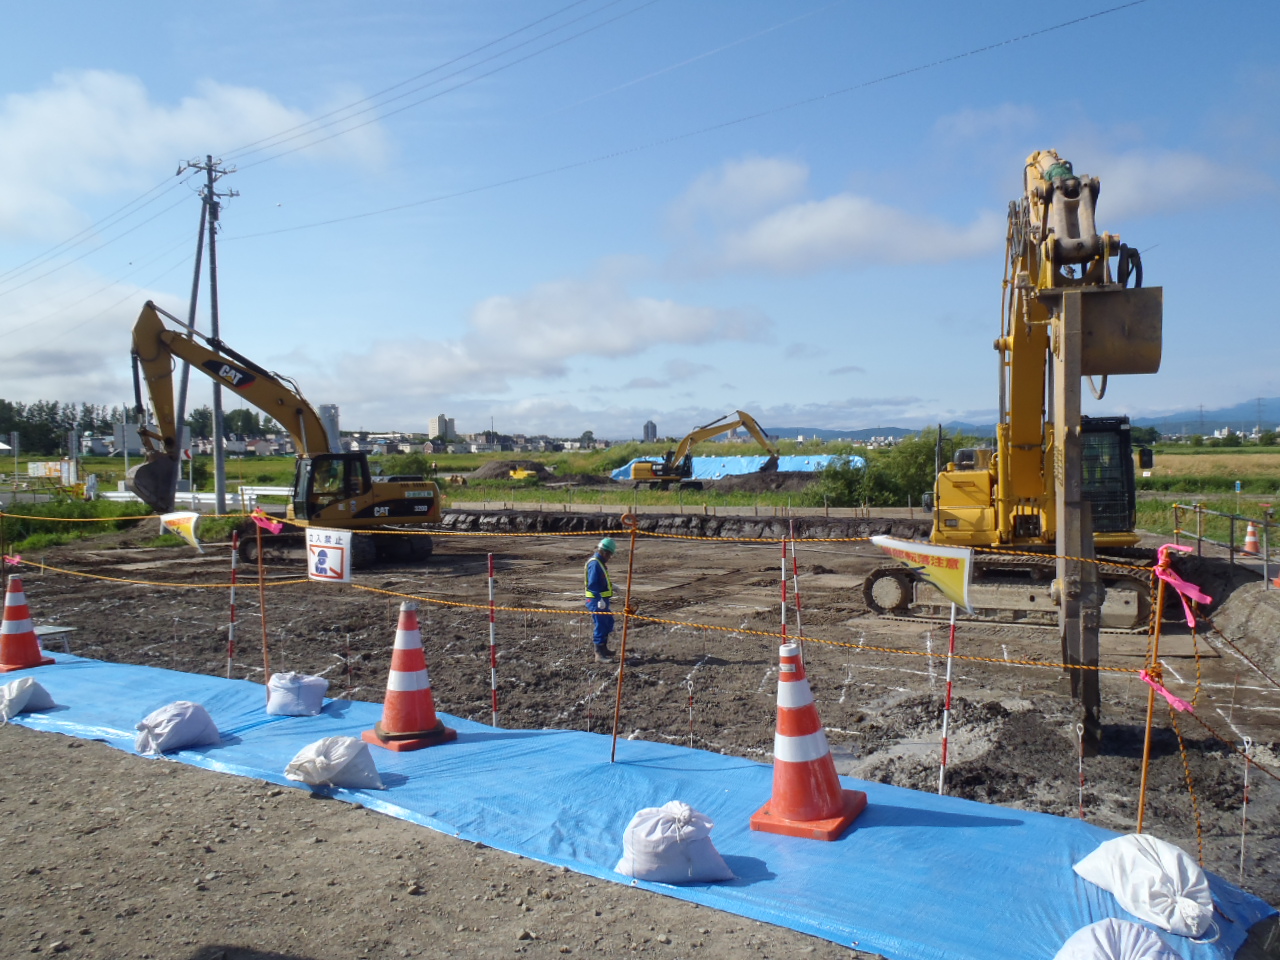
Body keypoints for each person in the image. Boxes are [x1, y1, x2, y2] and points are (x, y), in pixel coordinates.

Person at [584, 537, 617, 661]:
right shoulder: (595, 563)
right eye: (609, 555)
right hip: (596, 601)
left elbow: (600, 580)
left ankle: (603, 647)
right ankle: (599, 653)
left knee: (608, 622)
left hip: (601, 600)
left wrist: (611, 586)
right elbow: (593, 584)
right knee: (601, 624)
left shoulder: (599, 563)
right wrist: (599, 599)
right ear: (605, 552)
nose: (609, 557)